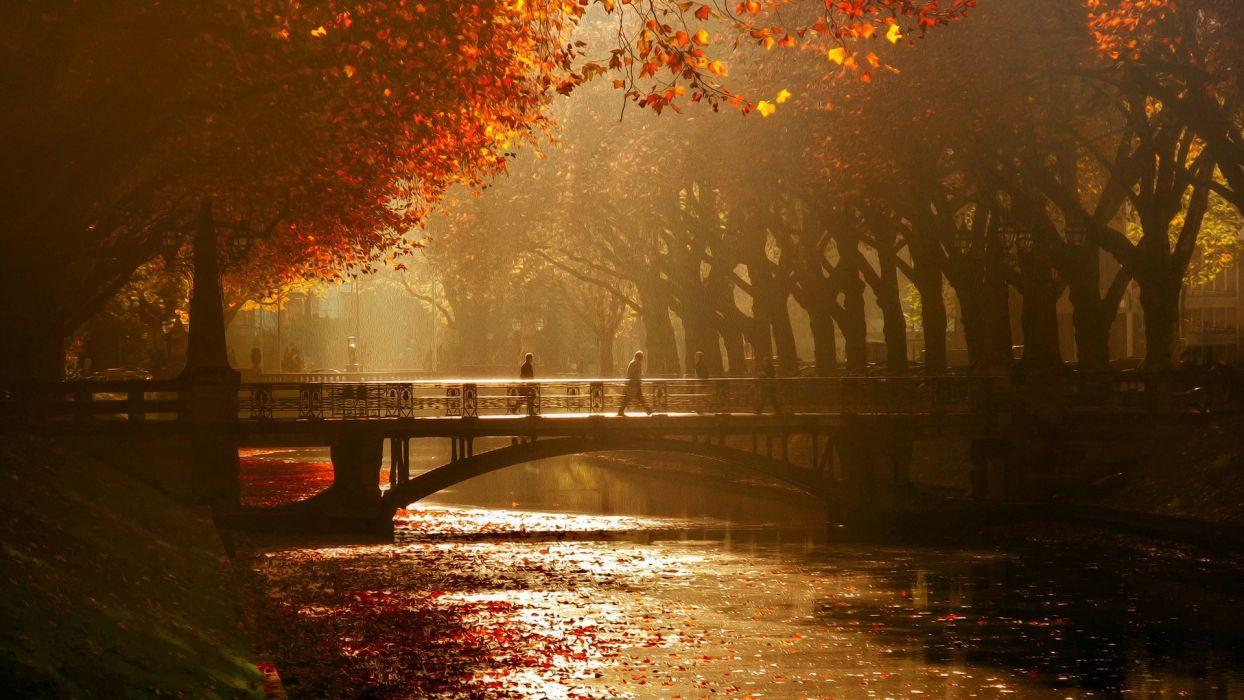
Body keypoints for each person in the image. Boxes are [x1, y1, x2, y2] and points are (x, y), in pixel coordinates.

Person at [616, 350, 652, 416]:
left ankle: (648, 410)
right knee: (633, 398)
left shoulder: (632, 362)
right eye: (642, 357)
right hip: (634, 384)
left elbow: (632, 374)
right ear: (639, 357)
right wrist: (639, 377)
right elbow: (634, 374)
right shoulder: (637, 363)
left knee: (634, 397)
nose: (642, 359)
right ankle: (648, 410)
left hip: (632, 383)